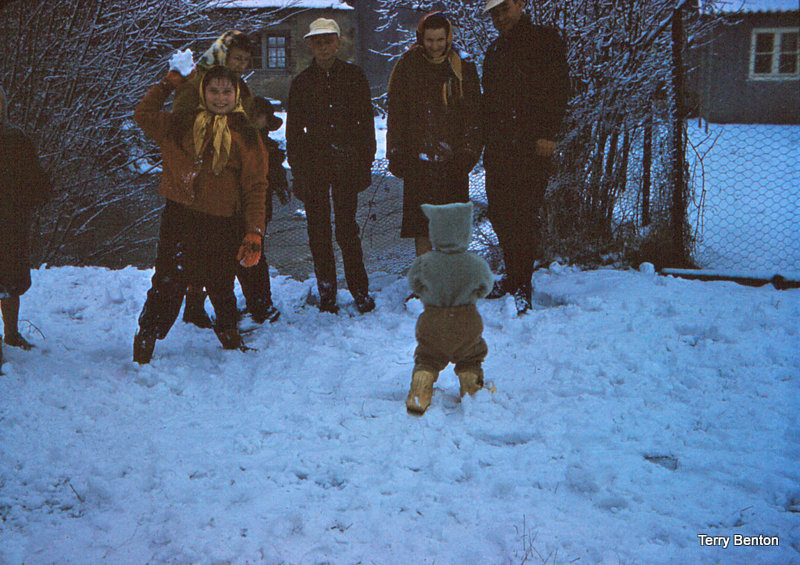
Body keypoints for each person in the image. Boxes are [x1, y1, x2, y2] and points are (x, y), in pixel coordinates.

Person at [132, 64, 268, 364]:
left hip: (223, 221)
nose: (220, 98)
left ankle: (229, 331)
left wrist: (254, 232)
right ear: (202, 92)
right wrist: (168, 84)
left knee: (221, 281)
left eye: (227, 91)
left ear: (237, 95)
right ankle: (146, 338)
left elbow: (256, 187)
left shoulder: (247, 135)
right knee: (169, 279)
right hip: (181, 217)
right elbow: (142, 116)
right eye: (213, 91)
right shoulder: (180, 124)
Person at [481, 0, 570, 314]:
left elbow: (558, 88)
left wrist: (548, 132)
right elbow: (488, 102)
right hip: (499, 148)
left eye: (505, 9)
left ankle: (523, 287)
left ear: (520, 5)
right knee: (501, 215)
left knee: (523, 216)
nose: (501, 17)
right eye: (495, 13)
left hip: (532, 146)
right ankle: (513, 275)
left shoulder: (544, 40)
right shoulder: (494, 51)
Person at [286, 18, 377, 314]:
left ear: (338, 42)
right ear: (310, 45)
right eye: (318, 41)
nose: (323, 46)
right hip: (313, 166)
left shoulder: (354, 77)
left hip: (347, 164)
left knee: (347, 229)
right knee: (318, 231)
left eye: (328, 40)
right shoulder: (301, 83)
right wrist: (298, 172)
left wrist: (365, 161)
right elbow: (294, 132)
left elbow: (366, 126)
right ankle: (327, 292)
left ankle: (359, 290)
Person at [172, 30, 258, 328]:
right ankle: (197, 307)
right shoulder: (202, 84)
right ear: (223, 55)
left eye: (246, 61)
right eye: (236, 58)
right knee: (200, 249)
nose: (241, 65)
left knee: (221, 249)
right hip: (200, 177)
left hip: (231, 177)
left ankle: (213, 310)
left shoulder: (236, 86)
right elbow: (180, 122)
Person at [387, 11, 482, 257]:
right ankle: (427, 283)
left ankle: (451, 283)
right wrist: (396, 151)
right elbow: (397, 111)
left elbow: (474, 113)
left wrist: (467, 153)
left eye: (440, 40)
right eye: (430, 40)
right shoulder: (408, 65)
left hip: (453, 160)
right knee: (422, 226)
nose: (435, 46)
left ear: (448, 37)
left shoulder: (462, 65)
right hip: (418, 159)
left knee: (451, 226)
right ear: (421, 38)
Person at [405, 202, 494, 415]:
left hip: (432, 321)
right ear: (465, 232)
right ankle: (471, 384)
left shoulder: (424, 262)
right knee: (471, 355)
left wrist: (427, 294)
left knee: (428, 357)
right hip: (467, 321)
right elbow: (486, 287)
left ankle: (421, 385)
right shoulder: (475, 263)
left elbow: (414, 284)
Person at [0, 85, 52, 372]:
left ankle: (11, 333)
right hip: (11, 219)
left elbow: (37, 180)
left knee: (9, 281)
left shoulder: (16, 140)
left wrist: (35, 194)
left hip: (11, 221)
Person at [235, 96, 290, 324]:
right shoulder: (240, 142)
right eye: (254, 115)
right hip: (239, 207)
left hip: (258, 209)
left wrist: (280, 187)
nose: (257, 120)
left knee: (255, 255)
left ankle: (261, 304)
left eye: (261, 116)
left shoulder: (267, 147)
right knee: (244, 256)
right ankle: (257, 302)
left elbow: (274, 175)